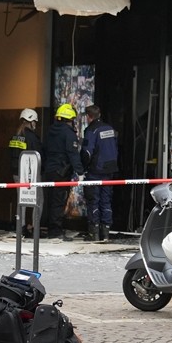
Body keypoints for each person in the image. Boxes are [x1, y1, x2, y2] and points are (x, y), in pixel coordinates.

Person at [42, 103, 84, 242]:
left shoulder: (50, 131)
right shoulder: (68, 134)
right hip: (61, 173)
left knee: (51, 201)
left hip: (49, 171)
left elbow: (44, 150)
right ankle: (56, 231)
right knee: (59, 202)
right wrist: (80, 172)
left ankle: (52, 228)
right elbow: (73, 154)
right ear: (69, 119)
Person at [80, 104, 119, 243]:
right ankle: (106, 233)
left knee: (93, 201)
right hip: (110, 170)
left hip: (95, 171)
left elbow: (87, 152)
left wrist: (83, 167)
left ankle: (94, 233)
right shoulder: (110, 129)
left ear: (88, 117)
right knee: (106, 201)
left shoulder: (91, 130)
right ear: (100, 114)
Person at [7, 108, 42, 181]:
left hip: (15, 173)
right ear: (32, 122)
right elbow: (38, 154)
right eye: (35, 122)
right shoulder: (32, 138)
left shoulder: (14, 136)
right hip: (29, 174)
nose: (35, 124)